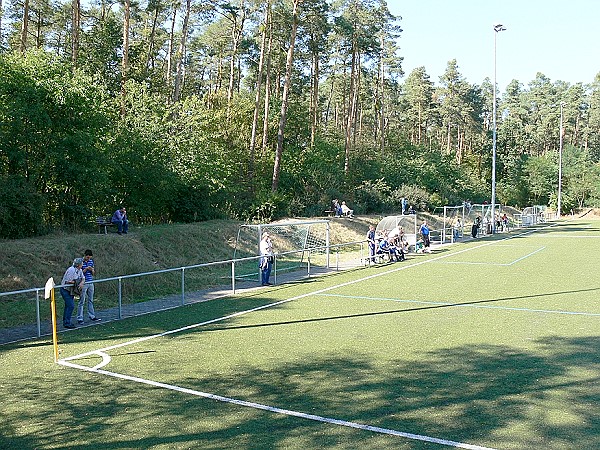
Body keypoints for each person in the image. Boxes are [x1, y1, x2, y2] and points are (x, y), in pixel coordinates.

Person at [60, 258, 84, 329]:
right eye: (81, 263)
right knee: (71, 305)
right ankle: (67, 322)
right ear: (78, 264)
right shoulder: (71, 270)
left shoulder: (80, 270)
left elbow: (83, 278)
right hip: (65, 290)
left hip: (71, 290)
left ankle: (66, 321)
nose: (82, 265)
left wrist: (81, 282)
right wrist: (78, 282)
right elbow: (68, 281)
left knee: (68, 306)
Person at [77, 249, 100, 324]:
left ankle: (92, 315)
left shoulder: (91, 262)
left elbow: (93, 273)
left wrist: (91, 270)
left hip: (90, 282)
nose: (88, 259)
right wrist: (86, 269)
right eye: (87, 257)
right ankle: (80, 318)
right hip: (83, 283)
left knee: (90, 300)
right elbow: (78, 273)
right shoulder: (80, 262)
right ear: (85, 256)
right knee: (82, 301)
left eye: (90, 258)